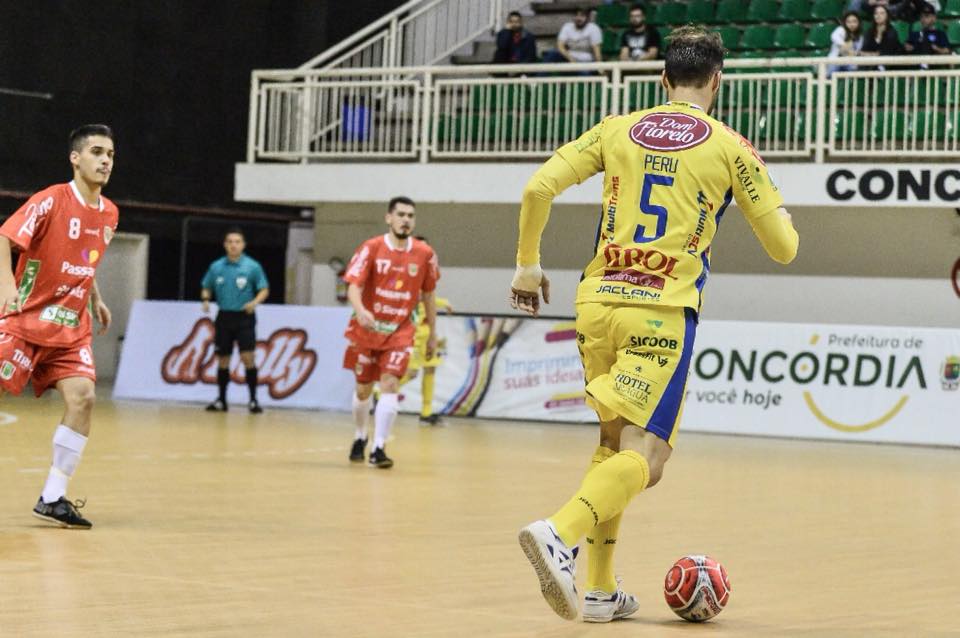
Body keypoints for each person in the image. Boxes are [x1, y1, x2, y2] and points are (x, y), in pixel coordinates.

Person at [511, 26, 799, 623]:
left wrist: (527, 268)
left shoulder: (617, 128)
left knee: (613, 444)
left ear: (662, 79)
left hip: (595, 304)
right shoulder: (731, 147)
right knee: (652, 454)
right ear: (717, 80)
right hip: (661, 312)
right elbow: (784, 248)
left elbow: (539, 186)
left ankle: (597, 590)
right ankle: (558, 532)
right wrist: (780, 212)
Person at [0, 124, 119, 529]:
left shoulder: (110, 213)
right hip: (26, 317)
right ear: (76, 158)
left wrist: (95, 297)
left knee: (84, 397)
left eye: (111, 155)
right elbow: (4, 237)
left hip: (70, 327)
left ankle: (53, 496)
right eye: (97, 152)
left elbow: (85, 259)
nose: (105, 161)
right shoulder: (51, 200)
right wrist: (8, 287)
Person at [343, 197, 439, 468]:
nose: (406, 220)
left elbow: (429, 295)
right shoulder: (371, 247)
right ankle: (360, 436)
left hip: (401, 331)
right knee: (363, 389)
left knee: (390, 384)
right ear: (389, 218)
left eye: (410, 215)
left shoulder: (424, 254)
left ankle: (379, 448)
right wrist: (361, 309)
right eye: (401, 214)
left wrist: (432, 332)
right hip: (366, 329)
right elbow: (353, 285)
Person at [200, 228, 270, 413]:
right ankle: (222, 400)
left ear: (243, 245)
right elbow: (206, 286)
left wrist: (254, 302)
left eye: (237, 241)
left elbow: (264, 289)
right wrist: (206, 299)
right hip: (224, 316)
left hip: (244, 317)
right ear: (225, 244)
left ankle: (253, 400)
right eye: (230, 241)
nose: (233, 245)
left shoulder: (252, 266)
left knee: (248, 357)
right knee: (223, 358)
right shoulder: (216, 267)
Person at [402, 236, 452, 426]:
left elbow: (428, 296)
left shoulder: (427, 270)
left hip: (427, 330)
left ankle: (426, 412)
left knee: (430, 369)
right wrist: (442, 302)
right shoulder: (408, 270)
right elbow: (421, 297)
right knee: (412, 372)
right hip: (414, 330)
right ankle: (381, 393)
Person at [828, 11, 865, 76]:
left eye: (854, 21)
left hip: (850, 61)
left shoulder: (860, 37)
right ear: (845, 23)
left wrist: (853, 52)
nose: (852, 24)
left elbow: (856, 51)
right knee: (832, 69)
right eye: (849, 22)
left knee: (854, 69)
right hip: (836, 60)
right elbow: (833, 36)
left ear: (858, 23)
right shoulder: (841, 29)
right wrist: (844, 45)